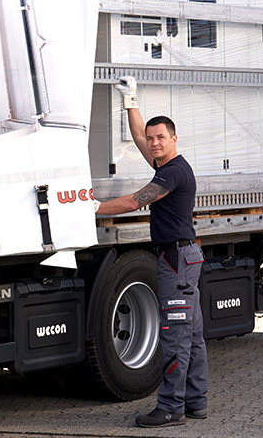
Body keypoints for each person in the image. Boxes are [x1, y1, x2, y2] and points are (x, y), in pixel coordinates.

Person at [93, 76, 209, 428]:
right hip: (184, 258)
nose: (154, 143)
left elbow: (133, 201)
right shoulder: (165, 163)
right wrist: (131, 101)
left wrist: (92, 208)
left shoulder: (174, 172)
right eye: (152, 138)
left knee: (175, 337)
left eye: (162, 138)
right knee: (193, 335)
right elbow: (141, 135)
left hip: (176, 262)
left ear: (175, 140)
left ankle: (171, 407)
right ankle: (196, 402)